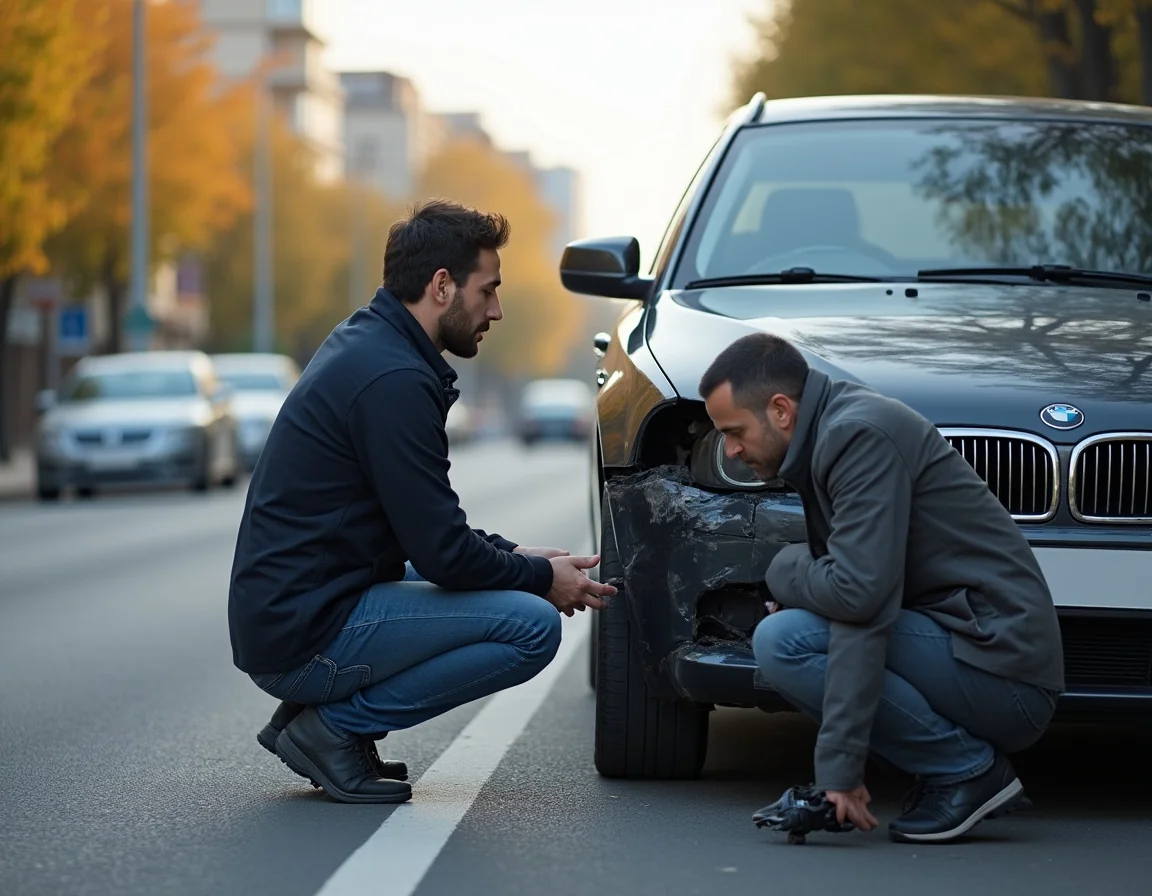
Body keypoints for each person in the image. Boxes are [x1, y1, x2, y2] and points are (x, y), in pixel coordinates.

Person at [228, 199, 616, 805]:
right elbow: (441, 554)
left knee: (508, 587)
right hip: (303, 633)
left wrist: (516, 556)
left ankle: (309, 719)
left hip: (297, 611)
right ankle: (332, 729)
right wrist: (541, 579)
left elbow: (428, 530)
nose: (496, 310)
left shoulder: (372, 343)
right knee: (532, 626)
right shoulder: (394, 379)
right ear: (441, 286)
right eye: (488, 290)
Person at [698, 332, 1064, 844]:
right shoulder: (835, 430)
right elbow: (858, 599)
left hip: (1004, 674)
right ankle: (953, 767)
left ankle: (965, 770)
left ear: (780, 410)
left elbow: (858, 598)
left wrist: (785, 571)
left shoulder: (857, 435)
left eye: (734, 432)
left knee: (784, 640)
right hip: (971, 648)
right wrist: (839, 770)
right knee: (794, 629)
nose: (732, 450)